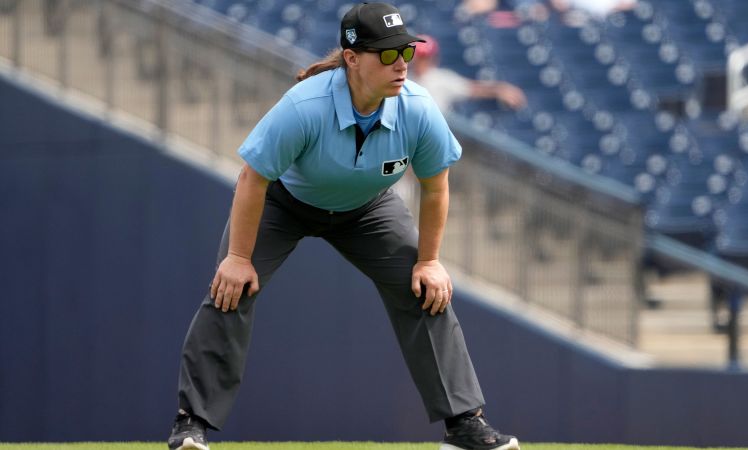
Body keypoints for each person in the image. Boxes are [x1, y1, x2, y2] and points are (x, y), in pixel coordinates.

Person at [166, 3, 521, 450]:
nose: (401, 65)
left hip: (367, 208)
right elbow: (252, 178)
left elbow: (435, 187)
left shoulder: (417, 108)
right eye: (387, 55)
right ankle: (191, 423)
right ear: (352, 58)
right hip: (285, 203)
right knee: (231, 287)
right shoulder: (305, 105)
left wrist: (429, 261)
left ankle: (463, 424)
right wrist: (238, 258)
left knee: (426, 290)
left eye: (405, 53)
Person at [409, 34, 527, 113]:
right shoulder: (403, 78)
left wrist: (500, 89)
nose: (420, 61)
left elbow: (473, 89)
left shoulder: (440, 78)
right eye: (418, 56)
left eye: (425, 57)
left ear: (433, 58)